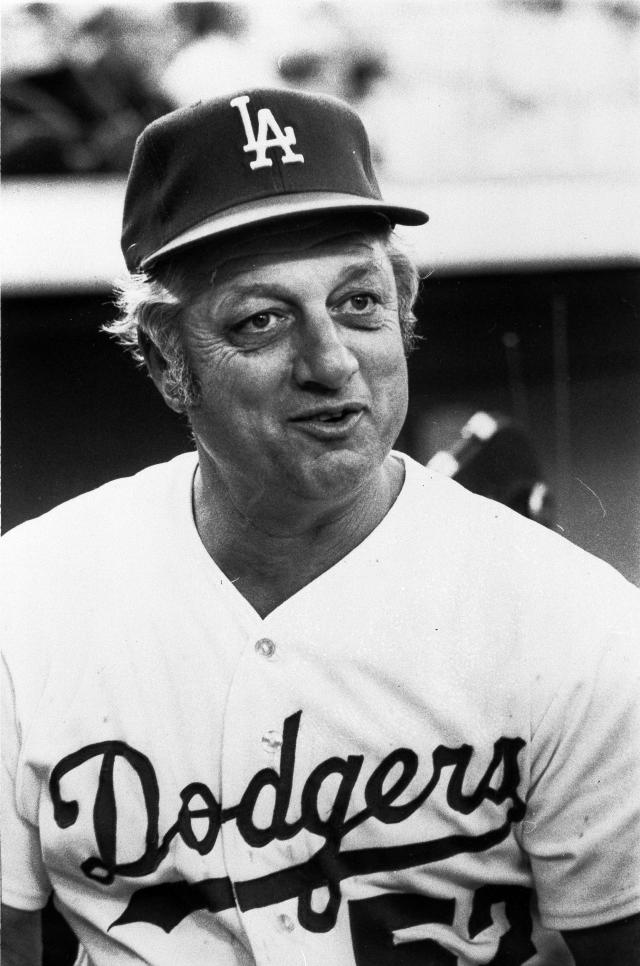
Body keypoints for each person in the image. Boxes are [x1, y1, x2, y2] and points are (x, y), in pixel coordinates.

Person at [1, 87, 639, 966]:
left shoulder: (579, 625)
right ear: (162, 357)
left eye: (359, 303)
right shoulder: (29, 598)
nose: (330, 362)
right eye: (261, 320)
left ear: (403, 303)